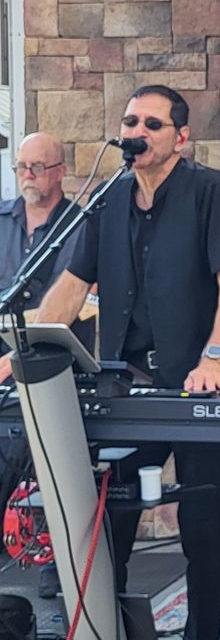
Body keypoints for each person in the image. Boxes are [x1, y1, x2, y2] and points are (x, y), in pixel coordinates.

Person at [9, 85, 220, 640]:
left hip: (195, 390)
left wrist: (214, 358)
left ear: (180, 138)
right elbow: (69, 287)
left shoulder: (211, 193)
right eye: (129, 120)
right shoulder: (108, 200)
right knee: (105, 537)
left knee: (205, 529)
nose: (136, 130)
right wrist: (17, 352)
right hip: (123, 388)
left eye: (151, 122)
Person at [0, 133, 93, 598]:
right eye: (22, 167)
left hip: (56, 364)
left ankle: (58, 566)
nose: (28, 176)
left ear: (60, 171)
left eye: (38, 167)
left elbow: (83, 304)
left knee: (55, 470)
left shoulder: (81, 225)